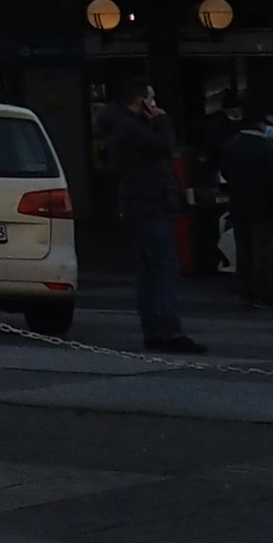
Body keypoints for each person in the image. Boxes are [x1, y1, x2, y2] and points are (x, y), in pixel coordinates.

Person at [95, 85, 203, 352]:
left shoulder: (122, 126)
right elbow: (164, 147)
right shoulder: (132, 128)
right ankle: (169, 330)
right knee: (163, 269)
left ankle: (154, 329)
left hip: (138, 204)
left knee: (148, 271)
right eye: (151, 97)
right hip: (150, 204)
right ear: (140, 100)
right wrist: (162, 120)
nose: (154, 103)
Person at [221, 104, 273, 306]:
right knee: (261, 252)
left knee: (243, 250)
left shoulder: (232, 145)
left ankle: (245, 289)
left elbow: (226, 173)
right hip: (262, 208)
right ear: (261, 126)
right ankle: (262, 291)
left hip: (238, 206)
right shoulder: (265, 149)